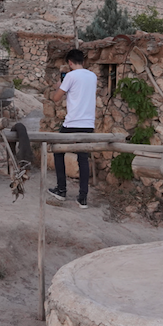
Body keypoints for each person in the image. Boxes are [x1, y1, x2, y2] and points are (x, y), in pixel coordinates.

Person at [48, 49, 97, 208]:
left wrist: (59, 86)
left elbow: (56, 98)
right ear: (83, 61)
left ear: (70, 62)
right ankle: (83, 197)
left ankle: (61, 190)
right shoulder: (93, 76)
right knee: (83, 159)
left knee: (57, 150)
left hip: (72, 123)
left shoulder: (70, 76)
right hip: (88, 124)